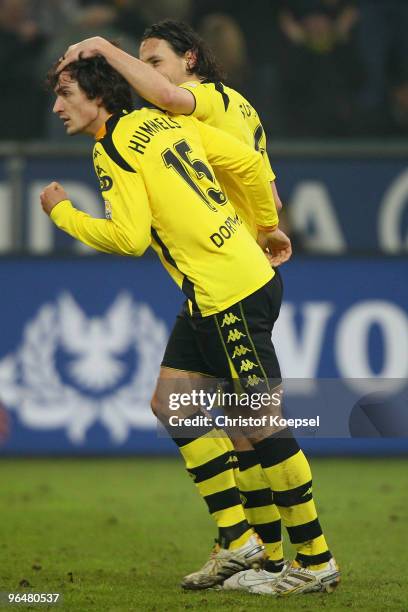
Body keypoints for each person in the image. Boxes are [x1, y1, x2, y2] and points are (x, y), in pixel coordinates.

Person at [55, 23, 339, 596]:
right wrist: (265, 225)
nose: (58, 105)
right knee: (174, 404)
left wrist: (62, 213)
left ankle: (312, 562)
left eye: (65, 93)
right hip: (221, 284)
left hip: (227, 289)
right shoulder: (171, 124)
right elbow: (253, 167)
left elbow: (130, 239)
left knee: (256, 423)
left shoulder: (142, 130)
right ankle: (240, 544)